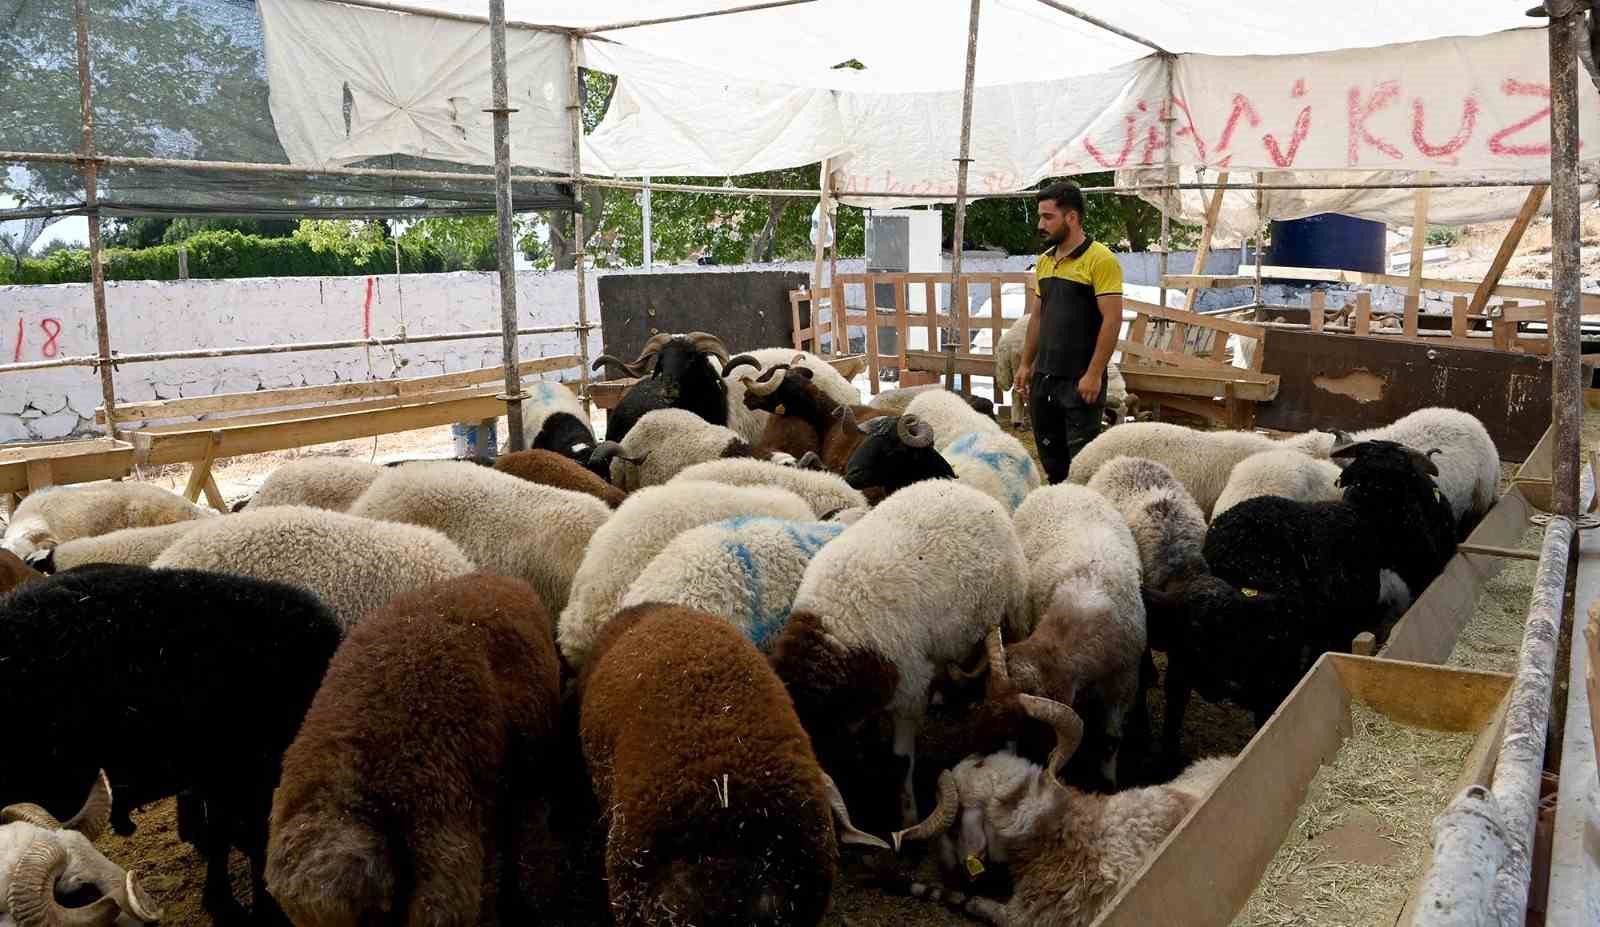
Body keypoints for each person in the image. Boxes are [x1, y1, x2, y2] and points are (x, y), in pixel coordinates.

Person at [1013, 181, 1124, 484]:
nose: (1041, 224)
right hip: (1045, 378)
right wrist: (1025, 364)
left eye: (1048, 217)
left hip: (1080, 380)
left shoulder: (1101, 260)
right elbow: (1037, 317)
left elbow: (1112, 320)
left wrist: (1093, 373)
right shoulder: (1046, 262)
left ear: (1071, 218)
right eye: (1040, 216)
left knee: (1083, 464)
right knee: (1053, 463)